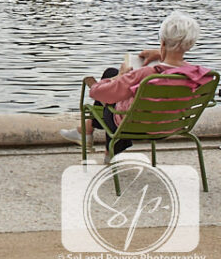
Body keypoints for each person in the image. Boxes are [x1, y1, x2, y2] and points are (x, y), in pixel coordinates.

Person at [60, 12, 214, 160]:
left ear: (163, 42)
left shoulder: (146, 75)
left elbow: (97, 93)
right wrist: (162, 54)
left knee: (110, 82)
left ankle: (100, 142)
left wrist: (120, 76)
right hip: (171, 126)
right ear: (190, 44)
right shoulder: (198, 75)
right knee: (118, 85)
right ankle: (90, 135)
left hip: (133, 126)